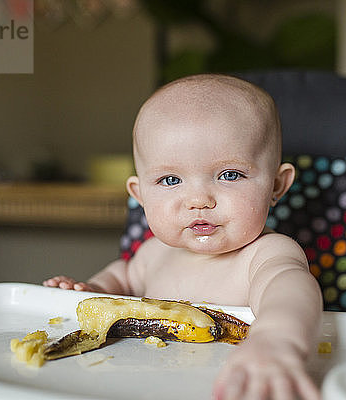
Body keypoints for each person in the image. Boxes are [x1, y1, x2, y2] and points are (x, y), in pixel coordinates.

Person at [44, 74, 323, 400]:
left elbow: (290, 290)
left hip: (239, 386)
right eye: (170, 180)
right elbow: (119, 280)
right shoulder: (151, 254)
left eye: (229, 175)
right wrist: (89, 291)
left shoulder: (267, 254)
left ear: (276, 185)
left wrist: (277, 339)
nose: (198, 200)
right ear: (140, 194)